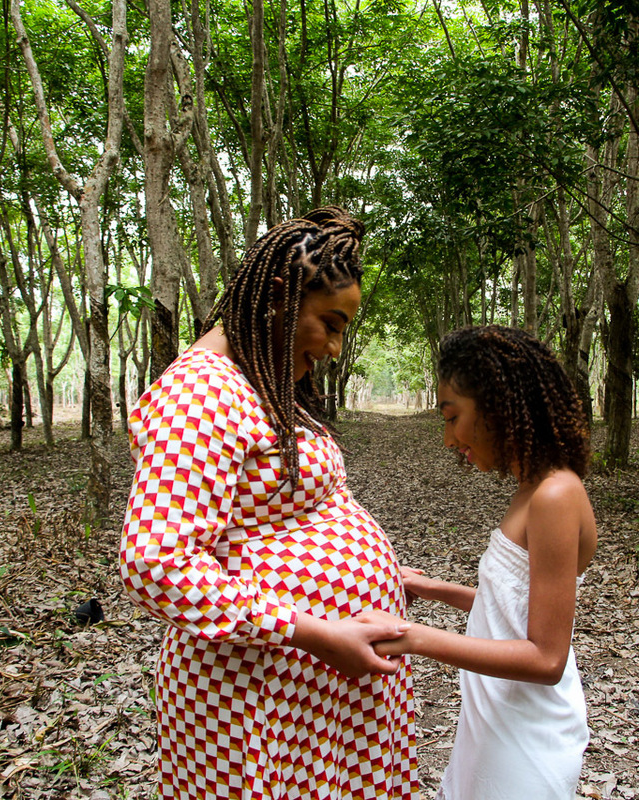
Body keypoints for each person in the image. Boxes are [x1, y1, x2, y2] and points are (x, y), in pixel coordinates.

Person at [120, 207, 416, 800]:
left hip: (309, 693)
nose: (334, 348)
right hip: (253, 696)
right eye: (330, 324)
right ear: (278, 296)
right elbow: (157, 564)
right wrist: (310, 629)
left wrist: (378, 572)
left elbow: (294, 509)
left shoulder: (264, 381)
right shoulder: (202, 391)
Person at [358, 325, 597, 800]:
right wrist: (432, 589)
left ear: (497, 406)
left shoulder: (556, 495)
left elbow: (546, 658)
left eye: (452, 417)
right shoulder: (532, 490)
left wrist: (415, 639)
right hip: (493, 720)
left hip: (528, 736)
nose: (449, 439)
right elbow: (506, 612)